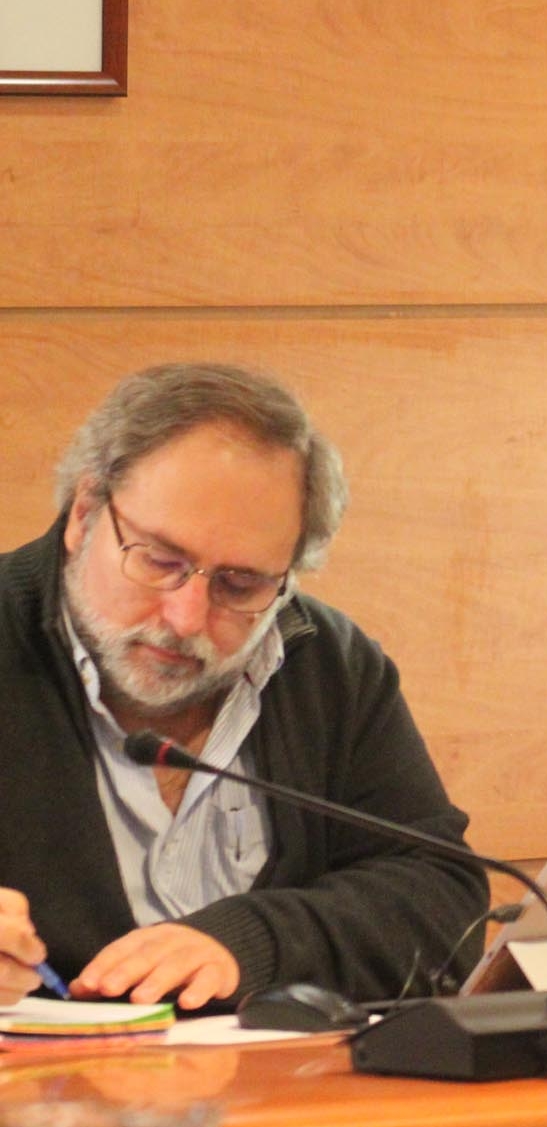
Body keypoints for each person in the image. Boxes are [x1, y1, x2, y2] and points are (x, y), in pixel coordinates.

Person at [0, 364, 489, 1009]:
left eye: (240, 585)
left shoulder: (327, 665)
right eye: (159, 560)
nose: (186, 618)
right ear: (85, 512)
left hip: (287, 1072)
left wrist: (252, 942)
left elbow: (443, 901)